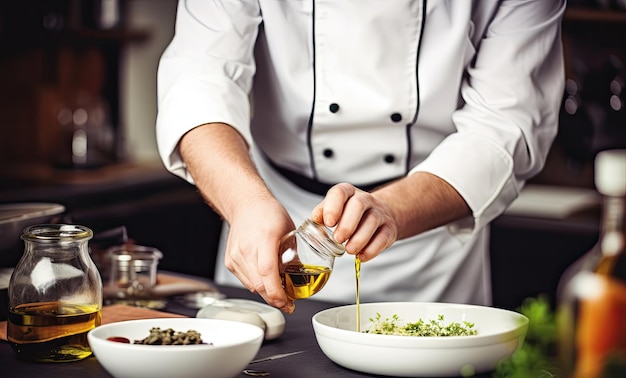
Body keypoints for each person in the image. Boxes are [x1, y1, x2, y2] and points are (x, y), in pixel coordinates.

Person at [156, 1, 566, 314]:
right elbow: (198, 79)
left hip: (428, 237)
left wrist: (391, 209)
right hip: (273, 214)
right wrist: (245, 204)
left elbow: (506, 123)